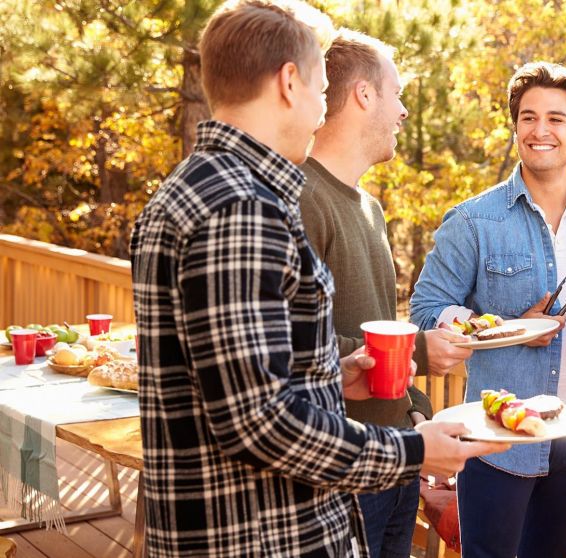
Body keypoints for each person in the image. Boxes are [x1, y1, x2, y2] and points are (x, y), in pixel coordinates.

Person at [129, 2, 506, 556]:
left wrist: (329, 373)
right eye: (320, 87)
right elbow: (257, 422)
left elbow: (238, 382)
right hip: (258, 537)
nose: (321, 108)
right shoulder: (241, 208)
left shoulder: (197, 188)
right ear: (288, 82)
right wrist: (412, 451)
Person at [410, 61, 566, 558]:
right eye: (528, 117)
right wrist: (501, 329)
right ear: (515, 128)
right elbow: (425, 309)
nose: (540, 131)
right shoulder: (473, 220)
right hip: (499, 442)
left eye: (556, 119)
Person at [297, 29, 473, 558]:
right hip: (343, 472)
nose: (402, 111)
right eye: (396, 93)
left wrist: (417, 414)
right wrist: (420, 350)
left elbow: (376, 328)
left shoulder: (369, 208)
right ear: (364, 95)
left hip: (398, 460)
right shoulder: (303, 198)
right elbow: (295, 349)